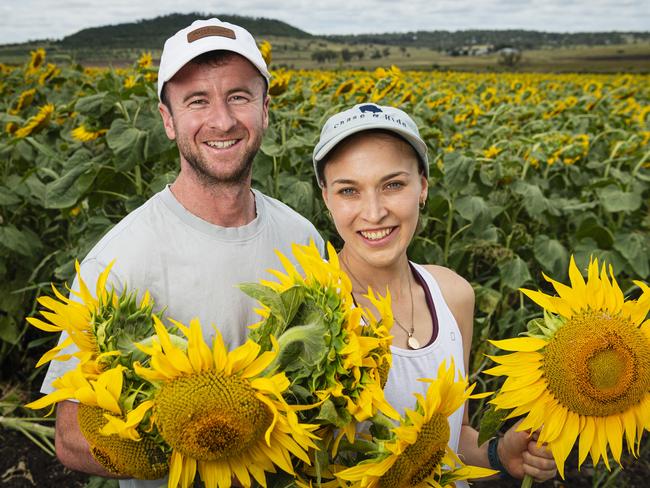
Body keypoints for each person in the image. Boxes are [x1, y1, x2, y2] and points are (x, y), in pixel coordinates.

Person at [40, 18, 324, 488]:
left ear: (265, 110)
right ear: (168, 120)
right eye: (197, 101)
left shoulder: (303, 239)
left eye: (239, 96)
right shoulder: (117, 260)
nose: (222, 120)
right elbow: (71, 437)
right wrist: (194, 439)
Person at [312, 103, 557, 484]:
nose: (374, 212)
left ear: (423, 187)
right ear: (326, 198)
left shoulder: (452, 294)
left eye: (393, 184)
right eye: (349, 191)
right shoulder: (310, 313)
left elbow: (451, 437)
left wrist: (500, 452)